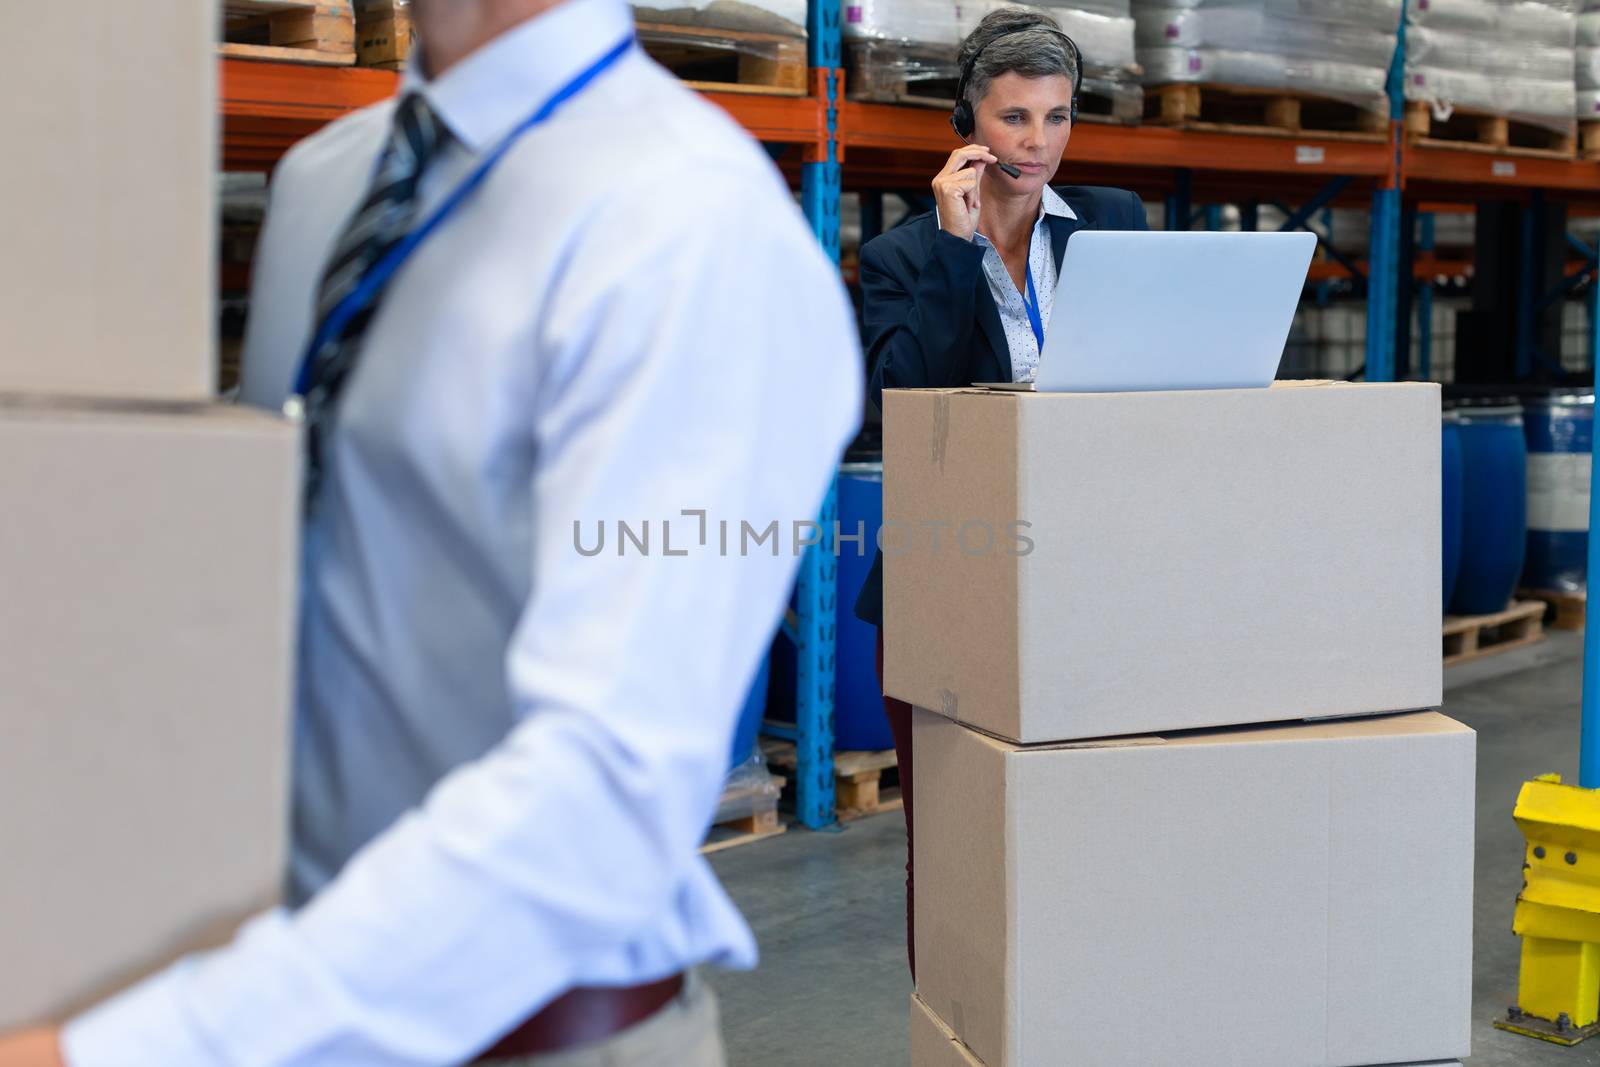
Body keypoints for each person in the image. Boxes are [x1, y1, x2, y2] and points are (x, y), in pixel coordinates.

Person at [0, 0, 861, 1063]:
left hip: (524, 1034)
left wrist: (122, 1049)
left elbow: (600, 796)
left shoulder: (688, 228)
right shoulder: (329, 181)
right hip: (275, 986)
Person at [852, 7, 1149, 978]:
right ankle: (952, 1011)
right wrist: (953, 246)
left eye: (1056, 117)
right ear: (968, 125)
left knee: (1087, 820)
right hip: (952, 574)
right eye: (1016, 117)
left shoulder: (1112, 221)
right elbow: (907, 410)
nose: (1038, 142)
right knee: (949, 834)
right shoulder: (903, 256)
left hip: (1087, 571)